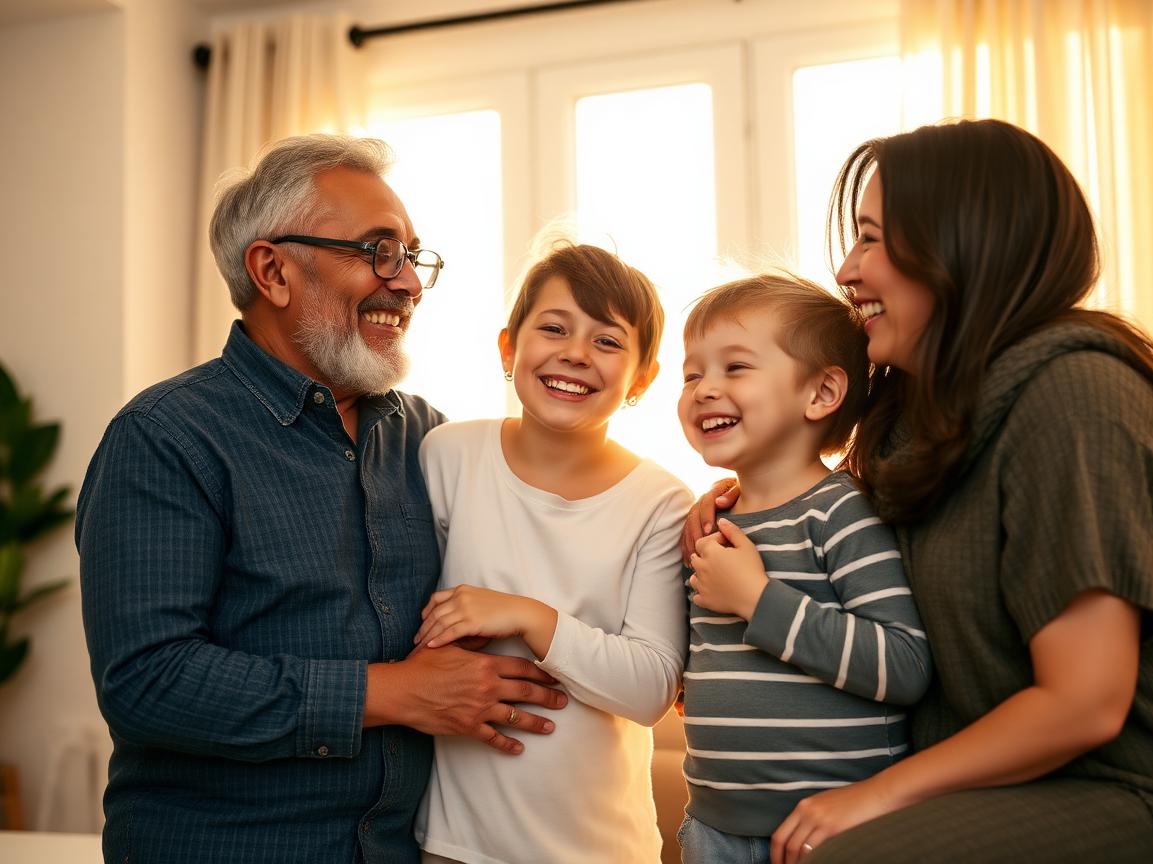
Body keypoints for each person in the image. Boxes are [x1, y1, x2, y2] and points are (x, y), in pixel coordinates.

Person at [689, 120, 1153, 863]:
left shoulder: (1075, 394)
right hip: (1013, 791)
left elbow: (1085, 703)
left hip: (1149, 793)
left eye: (871, 238)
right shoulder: (921, 415)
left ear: (959, 244)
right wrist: (735, 505)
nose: (846, 269)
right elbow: (833, 532)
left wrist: (877, 793)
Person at [76, 134, 567, 864]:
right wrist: (392, 693)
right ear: (272, 270)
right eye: (377, 250)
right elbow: (148, 682)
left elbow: (554, 514)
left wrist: (703, 508)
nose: (408, 284)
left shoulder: (427, 436)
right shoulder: (164, 438)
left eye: (411, 255)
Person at [409, 242, 692, 864]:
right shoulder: (447, 456)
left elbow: (649, 688)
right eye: (555, 328)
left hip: (601, 849)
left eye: (608, 341)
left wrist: (528, 616)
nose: (575, 353)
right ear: (509, 347)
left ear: (642, 377)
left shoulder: (661, 502)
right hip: (455, 845)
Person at [675, 274, 931, 864]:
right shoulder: (710, 518)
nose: (704, 389)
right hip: (713, 828)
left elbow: (905, 666)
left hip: (833, 831)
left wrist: (759, 600)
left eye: (735, 368)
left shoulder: (843, 512)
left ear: (820, 394)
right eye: (692, 374)